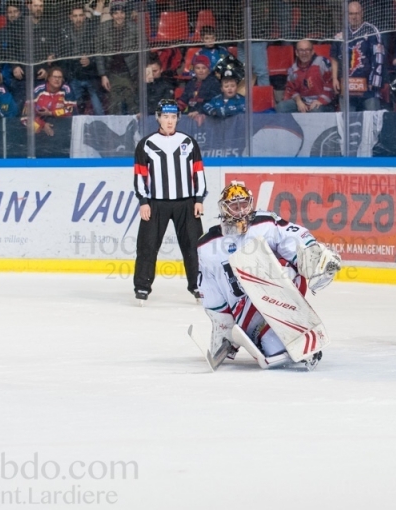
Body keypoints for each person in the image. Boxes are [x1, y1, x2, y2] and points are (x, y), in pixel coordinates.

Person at [197, 181, 340, 370]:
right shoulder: (207, 246)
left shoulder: (265, 223)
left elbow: (295, 237)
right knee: (275, 352)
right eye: (234, 206)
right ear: (224, 210)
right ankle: (265, 335)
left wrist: (313, 255)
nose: (240, 211)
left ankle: (288, 329)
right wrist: (225, 331)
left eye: (244, 205)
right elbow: (212, 294)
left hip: (276, 302)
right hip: (245, 312)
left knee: (287, 270)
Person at [133, 99, 206, 303]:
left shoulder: (188, 142)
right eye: (166, 117)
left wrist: (199, 199)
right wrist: (143, 201)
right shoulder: (146, 144)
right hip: (156, 203)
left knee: (193, 246)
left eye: (173, 117)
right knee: (147, 245)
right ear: (158, 118)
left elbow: (198, 172)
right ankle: (142, 286)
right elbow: (140, 175)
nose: (170, 121)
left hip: (187, 203)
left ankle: (198, 285)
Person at [330, 0, 385, 112]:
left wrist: (373, 81)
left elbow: (379, 58)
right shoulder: (341, 34)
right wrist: (335, 78)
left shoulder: (371, 31)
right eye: (351, 14)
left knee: (372, 120)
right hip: (347, 86)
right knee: (348, 123)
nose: (354, 17)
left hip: (368, 87)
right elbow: (334, 57)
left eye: (357, 13)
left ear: (362, 13)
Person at [58, 3, 104, 115]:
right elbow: (63, 56)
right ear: (71, 17)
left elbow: (98, 53)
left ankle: (102, 127)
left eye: (80, 15)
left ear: (84, 16)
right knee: (75, 109)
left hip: (90, 76)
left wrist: (90, 61)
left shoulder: (91, 30)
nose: (78, 18)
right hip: (74, 76)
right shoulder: (65, 32)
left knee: (98, 108)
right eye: (75, 16)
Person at [95, 0, 138, 115]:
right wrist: (103, 75)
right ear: (112, 15)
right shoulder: (103, 28)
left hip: (130, 73)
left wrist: (143, 70)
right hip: (112, 73)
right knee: (114, 106)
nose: (119, 16)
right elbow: (99, 54)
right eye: (116, 13)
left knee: (133, 105)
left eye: (122, 13)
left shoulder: (134, 27)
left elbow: (144, 50)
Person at [276, 38, 335, 113]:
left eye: (307, 50)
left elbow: (330, 83)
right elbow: (291, 89)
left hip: (323, 103)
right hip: (304, 102)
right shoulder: (293, 69)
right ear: (296, 53)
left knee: (315, 110)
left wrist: (320, 101)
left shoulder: (321, 62)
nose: (304, 53)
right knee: (281, 107)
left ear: (312, 51)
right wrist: (298, 101)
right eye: (301, 50)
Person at [22, 66, 75, 137]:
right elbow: (25, 119)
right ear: (48, 78)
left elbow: (71, 111)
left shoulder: (67, 89)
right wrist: (42, 126)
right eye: (54, 77)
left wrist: (51, 113)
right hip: (39, 134)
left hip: (62, 130)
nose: (57, 79)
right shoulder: (38, 90)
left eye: (59, 77)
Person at [177, 54, 220, 119]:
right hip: (190, 115)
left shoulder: (214, 83)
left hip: (207, 117)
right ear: (194, 70)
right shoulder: (191, 83)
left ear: (208, 70)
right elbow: (183, 100)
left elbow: (214, 103)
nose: (201, 71)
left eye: (204, 68)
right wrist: (173, 110)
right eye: (198, 68)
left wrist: (199, 112)